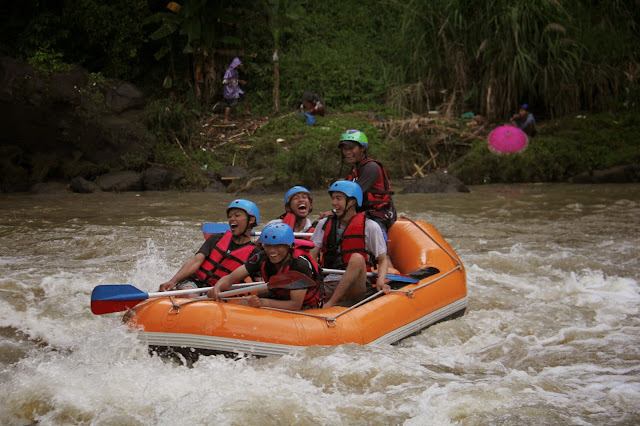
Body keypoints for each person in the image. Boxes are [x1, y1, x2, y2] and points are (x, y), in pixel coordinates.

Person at [310, 181, 390, 309]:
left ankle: (330, 304)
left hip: (357, 283)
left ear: (352, 202)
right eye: (333, 198)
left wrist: (380, 281)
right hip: (329, 279)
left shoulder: (370, 226)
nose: (333, 203)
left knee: (357, 258)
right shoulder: (324, 224)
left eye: (338, 198)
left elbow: (383, 259)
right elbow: (312, 254)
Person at [207, 223, 323, 310]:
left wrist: (263, 302)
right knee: (243, 305)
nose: (272, 251)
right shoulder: (261, 257)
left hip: (306, 305)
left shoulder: (299, 264)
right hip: (279, 295)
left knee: (251, 304)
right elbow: (231, 278)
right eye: (267, 246)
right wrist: (217, 288)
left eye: (278, 246)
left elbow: (295, 305)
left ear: (289, 247)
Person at [158, 199, 261, 294]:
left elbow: (259, 282)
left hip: (224, 293)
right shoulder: (216, 239)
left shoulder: (255, 253)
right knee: (189, 294)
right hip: (195, 284)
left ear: (251, 220)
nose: (231, 219)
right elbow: (195, 261)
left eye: (237, 215)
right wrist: (173, 281)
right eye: (230, 216)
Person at [327, 129, 396, 237]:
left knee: (377, 235)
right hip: (359, 213)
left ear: (363, 148)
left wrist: (333, 211)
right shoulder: (353, 171)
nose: (347, 152)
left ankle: (383, 253)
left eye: (351, 148)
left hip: (378, 214)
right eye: (345, 149)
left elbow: (353, 196)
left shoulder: (371, 167)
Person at [222, 57, 250, 123]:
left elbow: (235, 80)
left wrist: (240, 81)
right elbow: (223, 81)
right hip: (230, 90)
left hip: (236, 89)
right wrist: (228, 81)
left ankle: (247, 111)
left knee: (244, 96)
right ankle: (225, 119)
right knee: (230, 104)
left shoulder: (235, 71)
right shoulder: (228, 71)